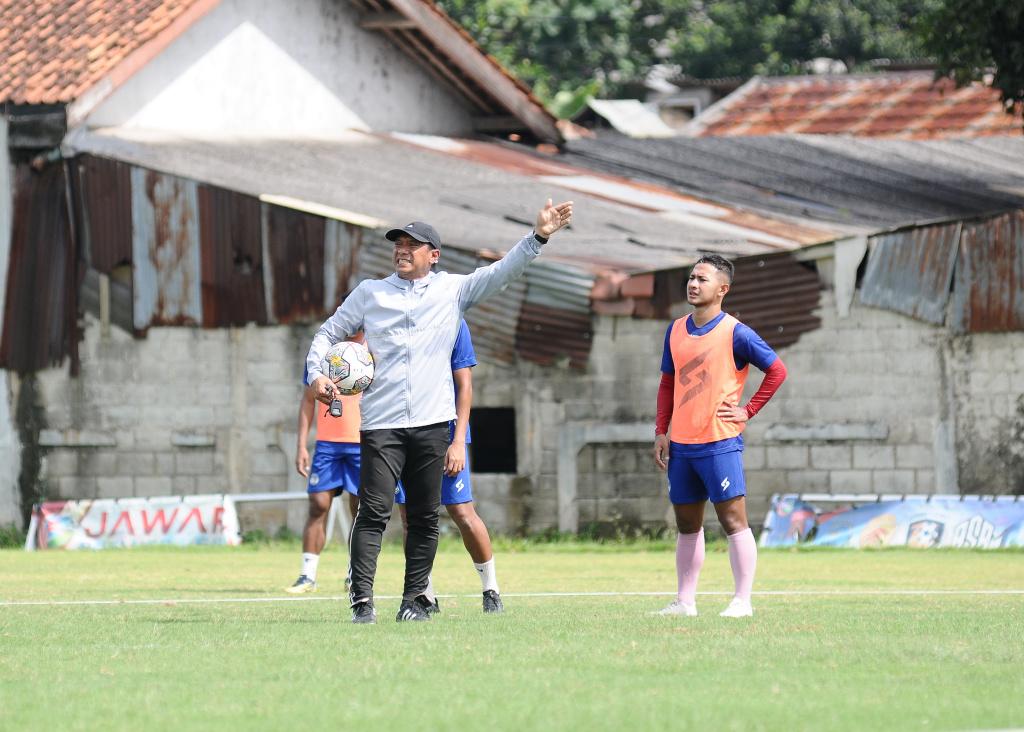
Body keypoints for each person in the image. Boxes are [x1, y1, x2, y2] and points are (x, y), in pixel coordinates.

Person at [305, 199, 573, 624]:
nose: (402, 250)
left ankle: (415, 601)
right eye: (399, 244)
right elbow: (329, 332)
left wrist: (537, 237)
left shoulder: (453, 291)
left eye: (414, 245)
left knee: (427, 516)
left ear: (434, 254)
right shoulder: (370, 293)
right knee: (373, 513)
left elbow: (501, 273)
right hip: (382, 425)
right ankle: (362, 602)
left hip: (432, 426)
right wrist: (316, 373)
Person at [652, 254, 787, 618]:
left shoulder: (737, 333)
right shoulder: (676, 329)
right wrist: (661, 431)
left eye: (702, 279)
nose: (693, 284)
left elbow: (776, 370)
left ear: (722, 289)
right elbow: (667, 383)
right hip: (681, 445)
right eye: (691, 278)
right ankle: (685, 602)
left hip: (719, 443)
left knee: (732, 521)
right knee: (686, 525)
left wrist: (748, 410)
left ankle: (742, 601)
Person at [394, 318, 504, 614]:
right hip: (402, 431)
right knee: (409, 517)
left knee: (462, 511)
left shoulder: (452, 321)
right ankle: (424, 594)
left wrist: (457, 442)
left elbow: (464, 384)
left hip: (444, 432)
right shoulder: (395, 317)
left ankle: (491, 589)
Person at [285, 368, 362, 594]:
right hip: (328, 445)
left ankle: (355, 575)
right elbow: (309, 400)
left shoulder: (374, 346)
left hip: (363, 441)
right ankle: (307, 576)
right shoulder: (322, 350)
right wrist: (301, 446)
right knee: (318, 505)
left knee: (361, 510)